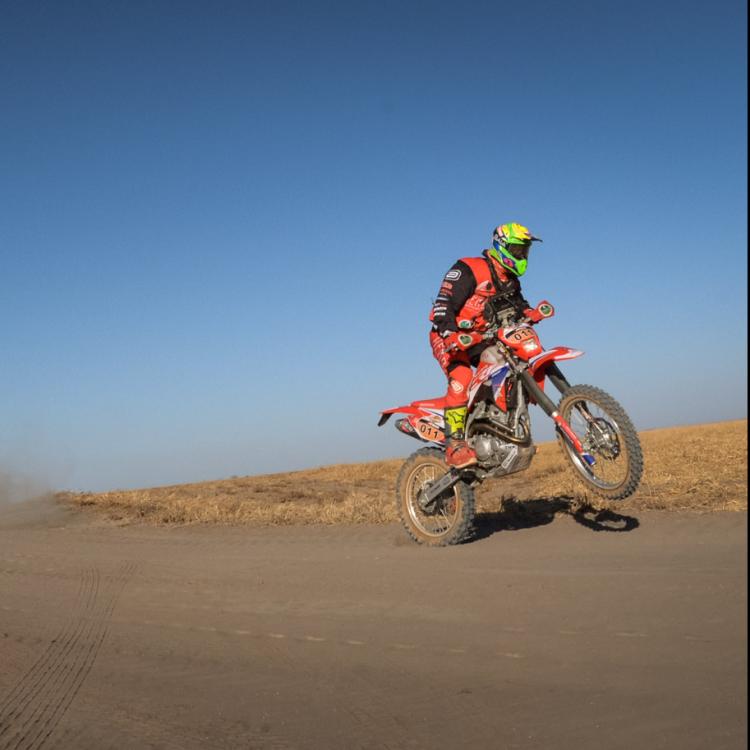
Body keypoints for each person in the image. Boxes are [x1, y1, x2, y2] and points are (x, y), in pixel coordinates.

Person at [429, 222, 544, 468]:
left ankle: (498, 427)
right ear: (502, 247)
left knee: (511, 367)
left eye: (525, 250)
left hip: (483, 339)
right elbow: (443, 304)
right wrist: (449, 333)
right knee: (461, 378)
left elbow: (518, 305)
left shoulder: (510, 280)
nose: (522, 255)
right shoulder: (469, 269)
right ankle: (455, 445)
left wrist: (531, 312)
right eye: (518, 249)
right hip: (451, 337)